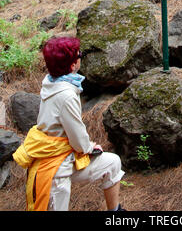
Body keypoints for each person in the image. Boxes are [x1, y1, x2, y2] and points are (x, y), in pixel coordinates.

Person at [13, 36, 125, 211]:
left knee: (112, 163)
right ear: (73, 65)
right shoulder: (66, 95)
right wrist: (89, 147)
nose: (81, 56)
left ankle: (115, 212)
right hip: (55, 167)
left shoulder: (51, 81)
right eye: (79, 54)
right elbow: (78, 139)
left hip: (62, 156)